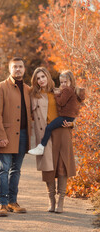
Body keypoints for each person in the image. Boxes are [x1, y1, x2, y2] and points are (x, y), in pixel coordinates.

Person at [29, 67, 77, 213]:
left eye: (43, 76)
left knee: (62, 167)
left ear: (48, 77)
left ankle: (61, 201)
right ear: (35, 81)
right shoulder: (34, 96)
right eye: (38, 78)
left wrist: (73, 123)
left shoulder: (59, 92)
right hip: (46, 135)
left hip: (62, 132)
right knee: (48, 168)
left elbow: (74, 108)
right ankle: (51, 200)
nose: (41, 80)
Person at [0, 57, 31, 217]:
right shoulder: (0, 87)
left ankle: (12, 202)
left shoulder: (28, 89)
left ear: (24, 69)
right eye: (15, 67)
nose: (18, 69)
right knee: (3, 169)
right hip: (5, 135)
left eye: (20, 66)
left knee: (16, 170)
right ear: (10, 69)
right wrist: (0, 135)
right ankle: (2, 204)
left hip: (22, 135)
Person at [28, 70, 85, 155]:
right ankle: (41, 147)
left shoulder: (63, 91)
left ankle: (41, 147)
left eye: (65, 82)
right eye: (61, 82)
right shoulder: (71, 91)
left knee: (49, 128)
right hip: (66, 119)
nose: (63, 84)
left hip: (64, 123)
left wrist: (56, 95)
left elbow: (61, 102)